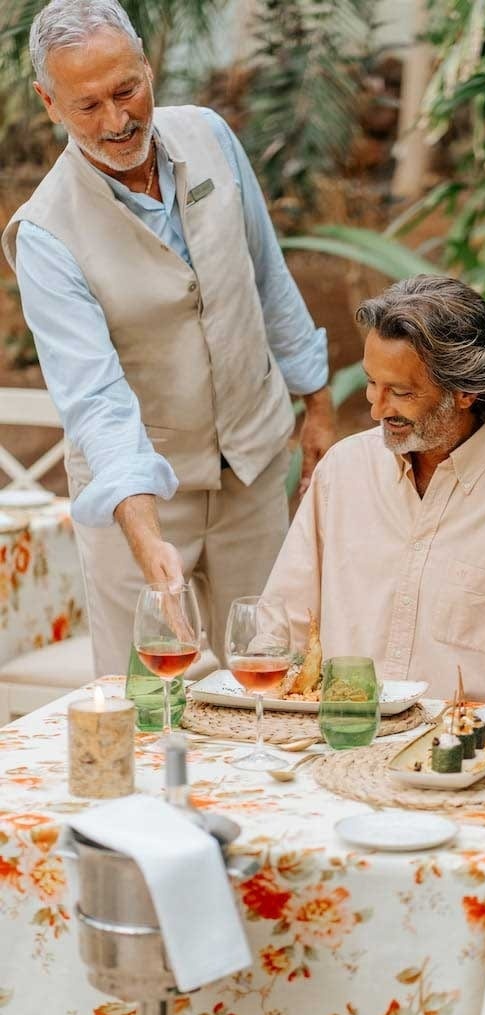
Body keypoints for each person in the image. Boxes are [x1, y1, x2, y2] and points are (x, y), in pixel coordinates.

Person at [2, 0, 335, 675]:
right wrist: (145, 534)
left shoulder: (210, 135)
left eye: (127, 90)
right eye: (87, 105)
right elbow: (94, 396)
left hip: (252, 470)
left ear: (148, 67)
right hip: (141, 502)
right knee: (147, 708)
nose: (117, 120)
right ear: (49, 103)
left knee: (273, 680)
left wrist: (318, 405)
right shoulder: (45, 234)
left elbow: (266, 274)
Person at [262, 275, 485, 706]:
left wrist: (476, 752)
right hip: (333, 747)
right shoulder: (342, 473)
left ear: (466, 391)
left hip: (469, 761)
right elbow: (279, 631)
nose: (376, 408)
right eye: (372, 383)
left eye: (401, 392)